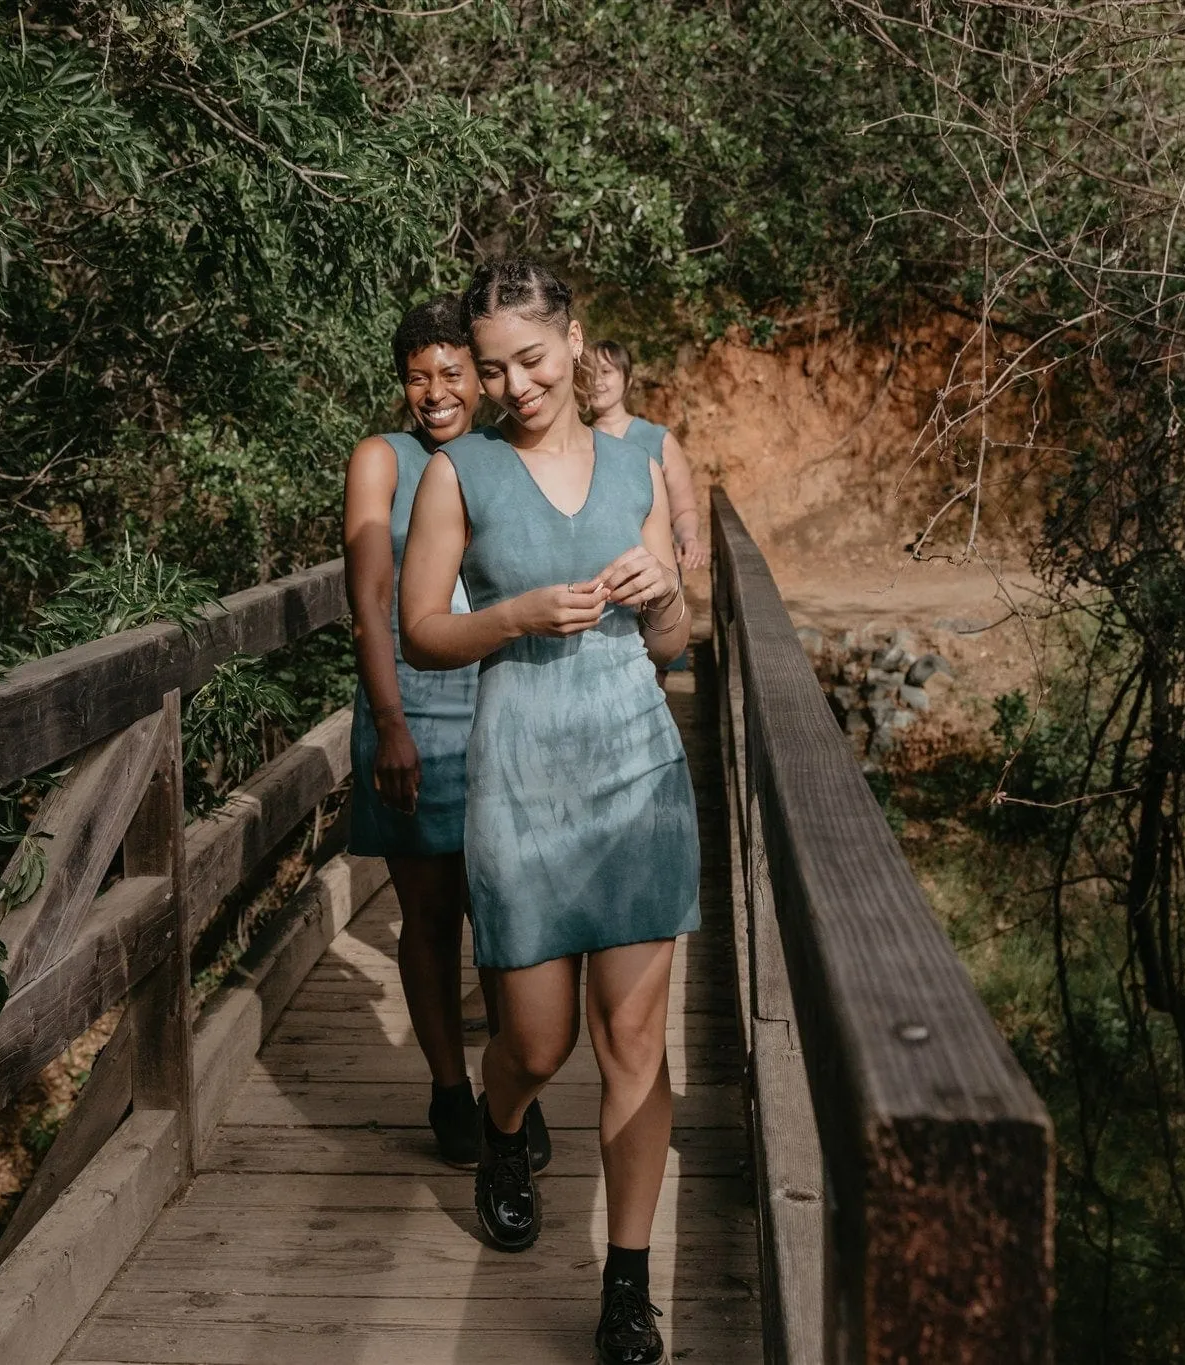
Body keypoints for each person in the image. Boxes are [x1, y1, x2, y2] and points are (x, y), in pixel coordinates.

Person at [400, 261, 699, 1365]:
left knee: (633, 1042)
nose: (514, 384)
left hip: (635, 771)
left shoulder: (640, 463)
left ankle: (627, 1289)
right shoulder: (456, 476)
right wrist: (513, 613)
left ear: (573, 342)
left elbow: (671, 644)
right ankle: (504, 1126)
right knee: (535, 1041)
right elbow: (421, 627)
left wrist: (666, 598)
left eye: (530, 358)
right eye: (492, 369)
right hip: (520, 771)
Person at [342, 296, 550, 1171]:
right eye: (419, 376)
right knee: (429, 916)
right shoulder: (379, 460)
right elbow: (368, 601)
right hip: (413, 716)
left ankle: (511, 1086)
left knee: (505, 912)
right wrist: (391, 725)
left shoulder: (506, 455)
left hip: (504, 705)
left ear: (482, 376)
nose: (436, 391)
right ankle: (448, 1088)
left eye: (453, 373)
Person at [590, 340, 710, 573]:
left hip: (656, 575)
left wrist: (688, 538)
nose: (597, 381)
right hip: (598, 580)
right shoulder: (573, 442)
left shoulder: (659, 439)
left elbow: (684, 509)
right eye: (590, 373)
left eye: (606, 372)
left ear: (628, 380)